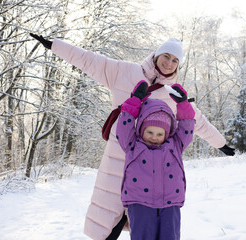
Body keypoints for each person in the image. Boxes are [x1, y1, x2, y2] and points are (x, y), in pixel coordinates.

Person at [30, 33, 235, 240]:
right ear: (156, 55)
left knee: (141, 224)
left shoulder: (173, 94)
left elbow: (196, 120)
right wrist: (55, 45)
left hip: (149, 171)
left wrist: (221, 143)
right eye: (166, 56)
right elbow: (89, 60)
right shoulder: (124, 71)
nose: (169, 63)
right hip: (118, 157)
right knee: (108, 223)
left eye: (175, 60)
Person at [116, 80, 195, 240]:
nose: (154, 137)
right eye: (149, 132)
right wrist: (134, 102)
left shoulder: (175, 145)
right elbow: (124, 126)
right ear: (141, 129)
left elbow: (187, 127)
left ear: (167, 133)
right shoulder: (132, 144)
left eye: (160, 134)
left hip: (170, 204)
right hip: (140, 204)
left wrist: (183, 104)